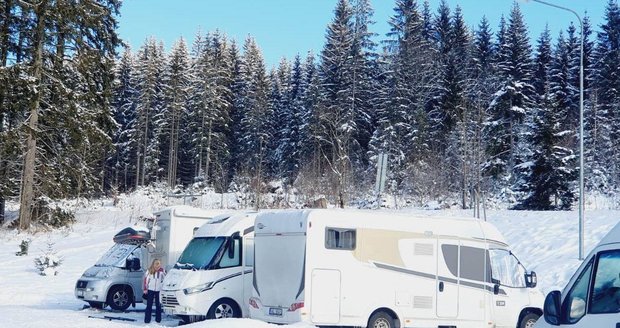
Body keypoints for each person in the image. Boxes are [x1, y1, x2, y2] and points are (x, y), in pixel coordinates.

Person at [143, 259, 166, 323]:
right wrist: (145, 289)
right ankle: (147, 320)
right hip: (150, 290)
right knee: (149, 305)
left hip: (158, 290)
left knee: (158, 305)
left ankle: (158, 320)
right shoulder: (149, 271)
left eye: (158, 264)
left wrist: (163, 287)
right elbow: (146, 280)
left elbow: (165, 279)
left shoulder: (162, 271)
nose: (157, 266)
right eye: (156, 264)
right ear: (153, 264)